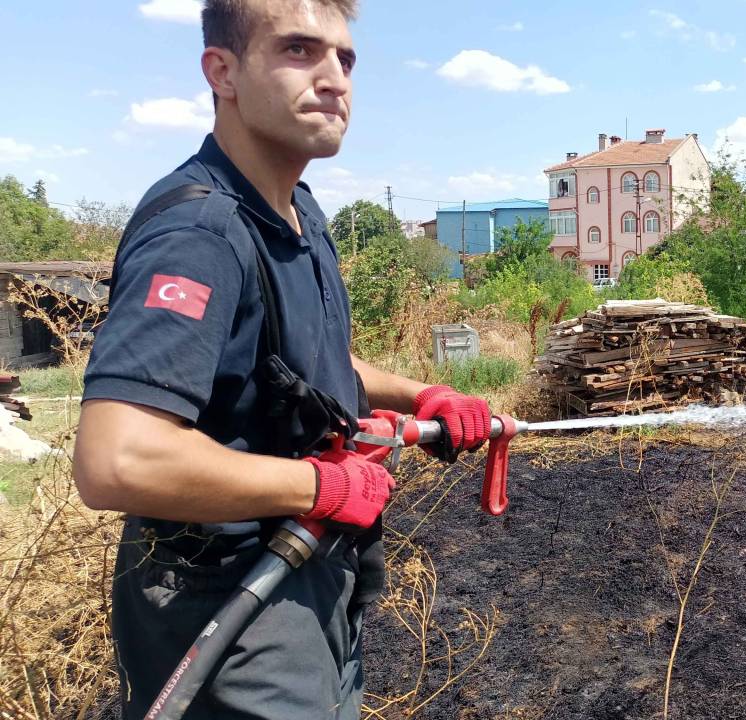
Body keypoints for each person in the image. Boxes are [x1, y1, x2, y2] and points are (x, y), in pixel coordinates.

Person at [72, 1, 489, 717]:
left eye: (345, 58)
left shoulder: (297, 213)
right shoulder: (198, 234)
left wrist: (423, 396)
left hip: (312, 579)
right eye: (299, 50)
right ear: (223, 72)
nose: (334, 79)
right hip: (226, 601)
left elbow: (312, 365)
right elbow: (118, 460)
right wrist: (318, 486)